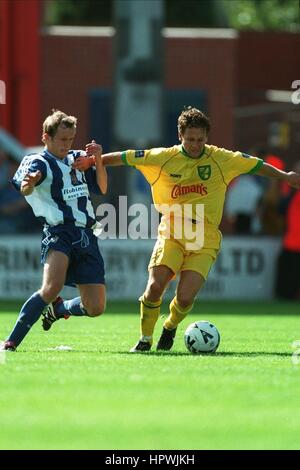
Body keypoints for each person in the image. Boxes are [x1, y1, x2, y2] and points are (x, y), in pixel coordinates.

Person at [74, 106, 300, 352]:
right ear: (180, 136)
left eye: (200, 140)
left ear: (207, 138)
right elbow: (125, 157)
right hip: (172, 230)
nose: (195, 145)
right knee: (155, 287)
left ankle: (170, 326)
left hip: (205, 236)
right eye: (190, 139)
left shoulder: (221, 158)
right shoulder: (162, 157)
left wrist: (285, 176)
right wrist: (93, 161)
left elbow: (255, 165)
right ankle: (145, 339)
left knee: (184, 298)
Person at [0, 109, 107, 351]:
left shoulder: (78, 159)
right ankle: (11, 341)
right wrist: (30, 183)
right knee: (51, 287)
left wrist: (98, 160)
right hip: (59, 232)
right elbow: (24, 188)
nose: (66, 144)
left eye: (70, 139)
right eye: (62, 139)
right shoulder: (37, 161)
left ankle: (61, 309)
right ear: (46, 137)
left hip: (87, 235)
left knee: (96, 307)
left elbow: (101, 187)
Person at [275, 161, 300, 300]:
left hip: (291, 245)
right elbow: (279, 213)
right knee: (285, 291)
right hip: (290, 246)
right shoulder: (289, 196)